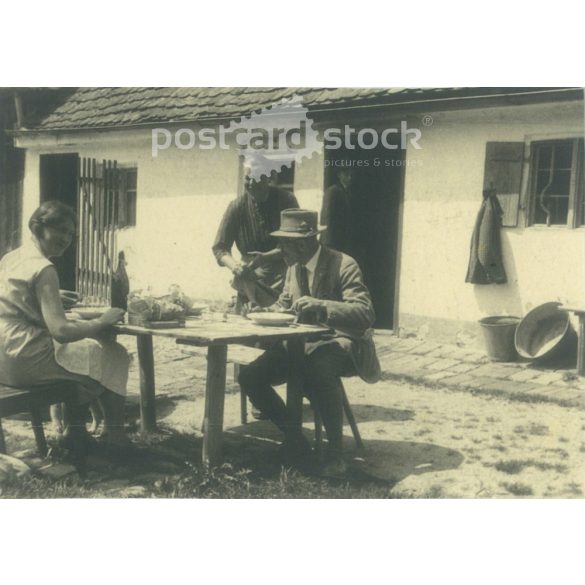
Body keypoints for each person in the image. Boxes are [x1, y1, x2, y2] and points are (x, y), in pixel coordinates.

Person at [238, 209, 381, 477]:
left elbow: (365, 314)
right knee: (250, 376)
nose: (279, 249)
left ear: (302, 243)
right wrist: (266, 312)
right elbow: (285, 304)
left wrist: (322, 305)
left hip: (341, 340)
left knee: (318, 370)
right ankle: (296, 441)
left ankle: (335, 455)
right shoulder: (294, 267)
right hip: (300, 342)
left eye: (284, 243)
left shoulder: (343, 264)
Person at [0, 201, 130, 458]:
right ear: (39, 227)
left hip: (4, 351)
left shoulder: (14, 257)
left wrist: (49, 296)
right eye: (59, 230)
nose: (66, 238)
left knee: (84, 355)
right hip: (25, 357)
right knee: (114, 354)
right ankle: (117, 439)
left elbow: (11, 297)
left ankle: (76, 432)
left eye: (70, 233)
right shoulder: (45, 268)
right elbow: (60, 330)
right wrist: (102, 321)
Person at [212, 159, 299, 313]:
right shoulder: (236, 207)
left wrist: (266, 257)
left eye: (257, 177)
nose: (251, 183)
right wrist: (235, 266)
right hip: (248, 279)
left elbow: (296, 243)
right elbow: (220, 248)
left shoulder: (286, 200)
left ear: (269, 178)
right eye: (247, 178)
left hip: (284, 280)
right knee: (246, 328)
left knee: (281, 326)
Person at [320, 167, 355, 255]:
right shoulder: (332, 191)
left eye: (351, 175)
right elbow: (327, 216)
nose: (350, 178)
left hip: (342, 240)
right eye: (346, 175)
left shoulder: (346, 192)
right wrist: (328, 243)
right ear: (339, 175)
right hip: (332, 242)